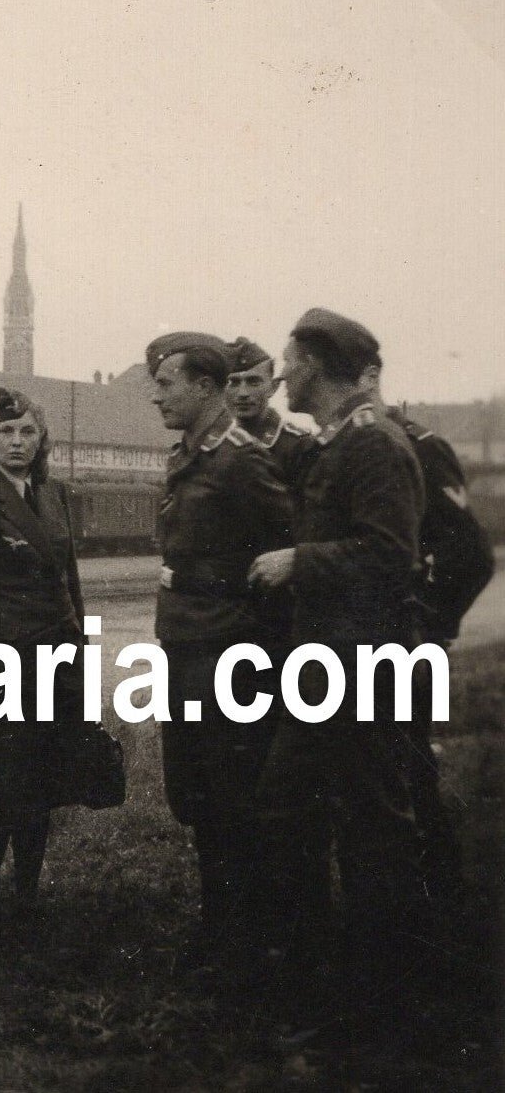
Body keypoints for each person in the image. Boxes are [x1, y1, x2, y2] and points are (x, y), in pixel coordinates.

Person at [248, 308, 430, 1017]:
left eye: (288, 363)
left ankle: (385, 986)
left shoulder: (374, 445)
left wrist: (302, 560)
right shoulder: (338, 443)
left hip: (360, 665)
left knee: (372, 822)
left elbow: (389, 555)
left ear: (316, 367)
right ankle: (327, 969)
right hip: (327, 666)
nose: (281, 376)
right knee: (292, 807)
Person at [0, 388, 124, 931]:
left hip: (56, 663)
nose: (16, 442)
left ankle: (26, 897)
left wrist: (82, 658)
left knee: (40, 783)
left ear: (42, 440)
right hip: (0, 667)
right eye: (5, 432)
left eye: (26, 432)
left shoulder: (54, 495)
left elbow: (70, 583)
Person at [145, 333, 294, 973]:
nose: (156, 396)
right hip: (186, 644)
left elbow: (289, 548)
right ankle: (220, 928)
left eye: (166, 383)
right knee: (199, 794)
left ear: (205, 387)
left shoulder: (239, 460)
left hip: (229, 649)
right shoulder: (187, 455)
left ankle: (246, 939)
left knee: (233, 795)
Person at [359, 361, 495, 897]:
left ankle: (440, 905)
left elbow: (471, 556)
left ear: (371, 378)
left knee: (410, 774)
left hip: (410, 644)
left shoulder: (420, 447)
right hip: (360, 641)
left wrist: (431, 628)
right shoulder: (347, 450)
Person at [224, 336, 314, 490]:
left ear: (273, 387)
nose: (242, 393)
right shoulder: (222, 445)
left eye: (253, 382)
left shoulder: (299, 446)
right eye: (234, 383)